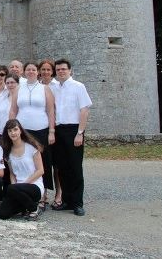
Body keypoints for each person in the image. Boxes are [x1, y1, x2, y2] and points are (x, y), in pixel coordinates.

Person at [9, 61, 56, 210]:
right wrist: (9, 128)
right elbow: (13, 111)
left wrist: (51, 131)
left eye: (33, 70)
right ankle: (24, 189)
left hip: (41, 130)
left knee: (43, 162)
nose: (30, 72)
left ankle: (43, 194)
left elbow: (50, 111)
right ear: (24, 72)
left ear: (38, 72)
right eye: (28, 69)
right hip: (23, 131)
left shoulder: (45, 89)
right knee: (24, 159)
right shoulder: (18, 89)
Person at [51, 58, 92, 216]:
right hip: (59, 130)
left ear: (70, 70)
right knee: (62, 168)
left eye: (63, 69)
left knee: (75, 167)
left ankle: (77, 203)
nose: (61, 72)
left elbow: (84, 110)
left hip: (74, 129)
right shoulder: (55, 88)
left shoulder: (78, 87)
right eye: (58, 69)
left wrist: (80, 133)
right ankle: (67, 200)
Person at [0, 119, 45, 220]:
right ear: (7, 133)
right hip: (17, 190)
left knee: (10, 188)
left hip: (34, 187)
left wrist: (23, 184)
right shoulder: (7, 151)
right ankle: (25, 207)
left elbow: (40, 170)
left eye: (15, 129)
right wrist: (16, 186)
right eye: (10, 131)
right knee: (2, 214)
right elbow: (12, 174)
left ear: (20, 131)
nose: (13, 133)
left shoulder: (32, 147)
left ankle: (34, 208)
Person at [38, 58, 62, 207]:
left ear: (52, 71)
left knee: (58, 164)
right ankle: (44, 192)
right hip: (43, 128)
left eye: (48, 69)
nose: (46, 72)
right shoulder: (36, 86)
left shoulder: (58, 86)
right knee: (45, 162)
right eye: (43, 69)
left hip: (57, 128)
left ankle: (59, 193)